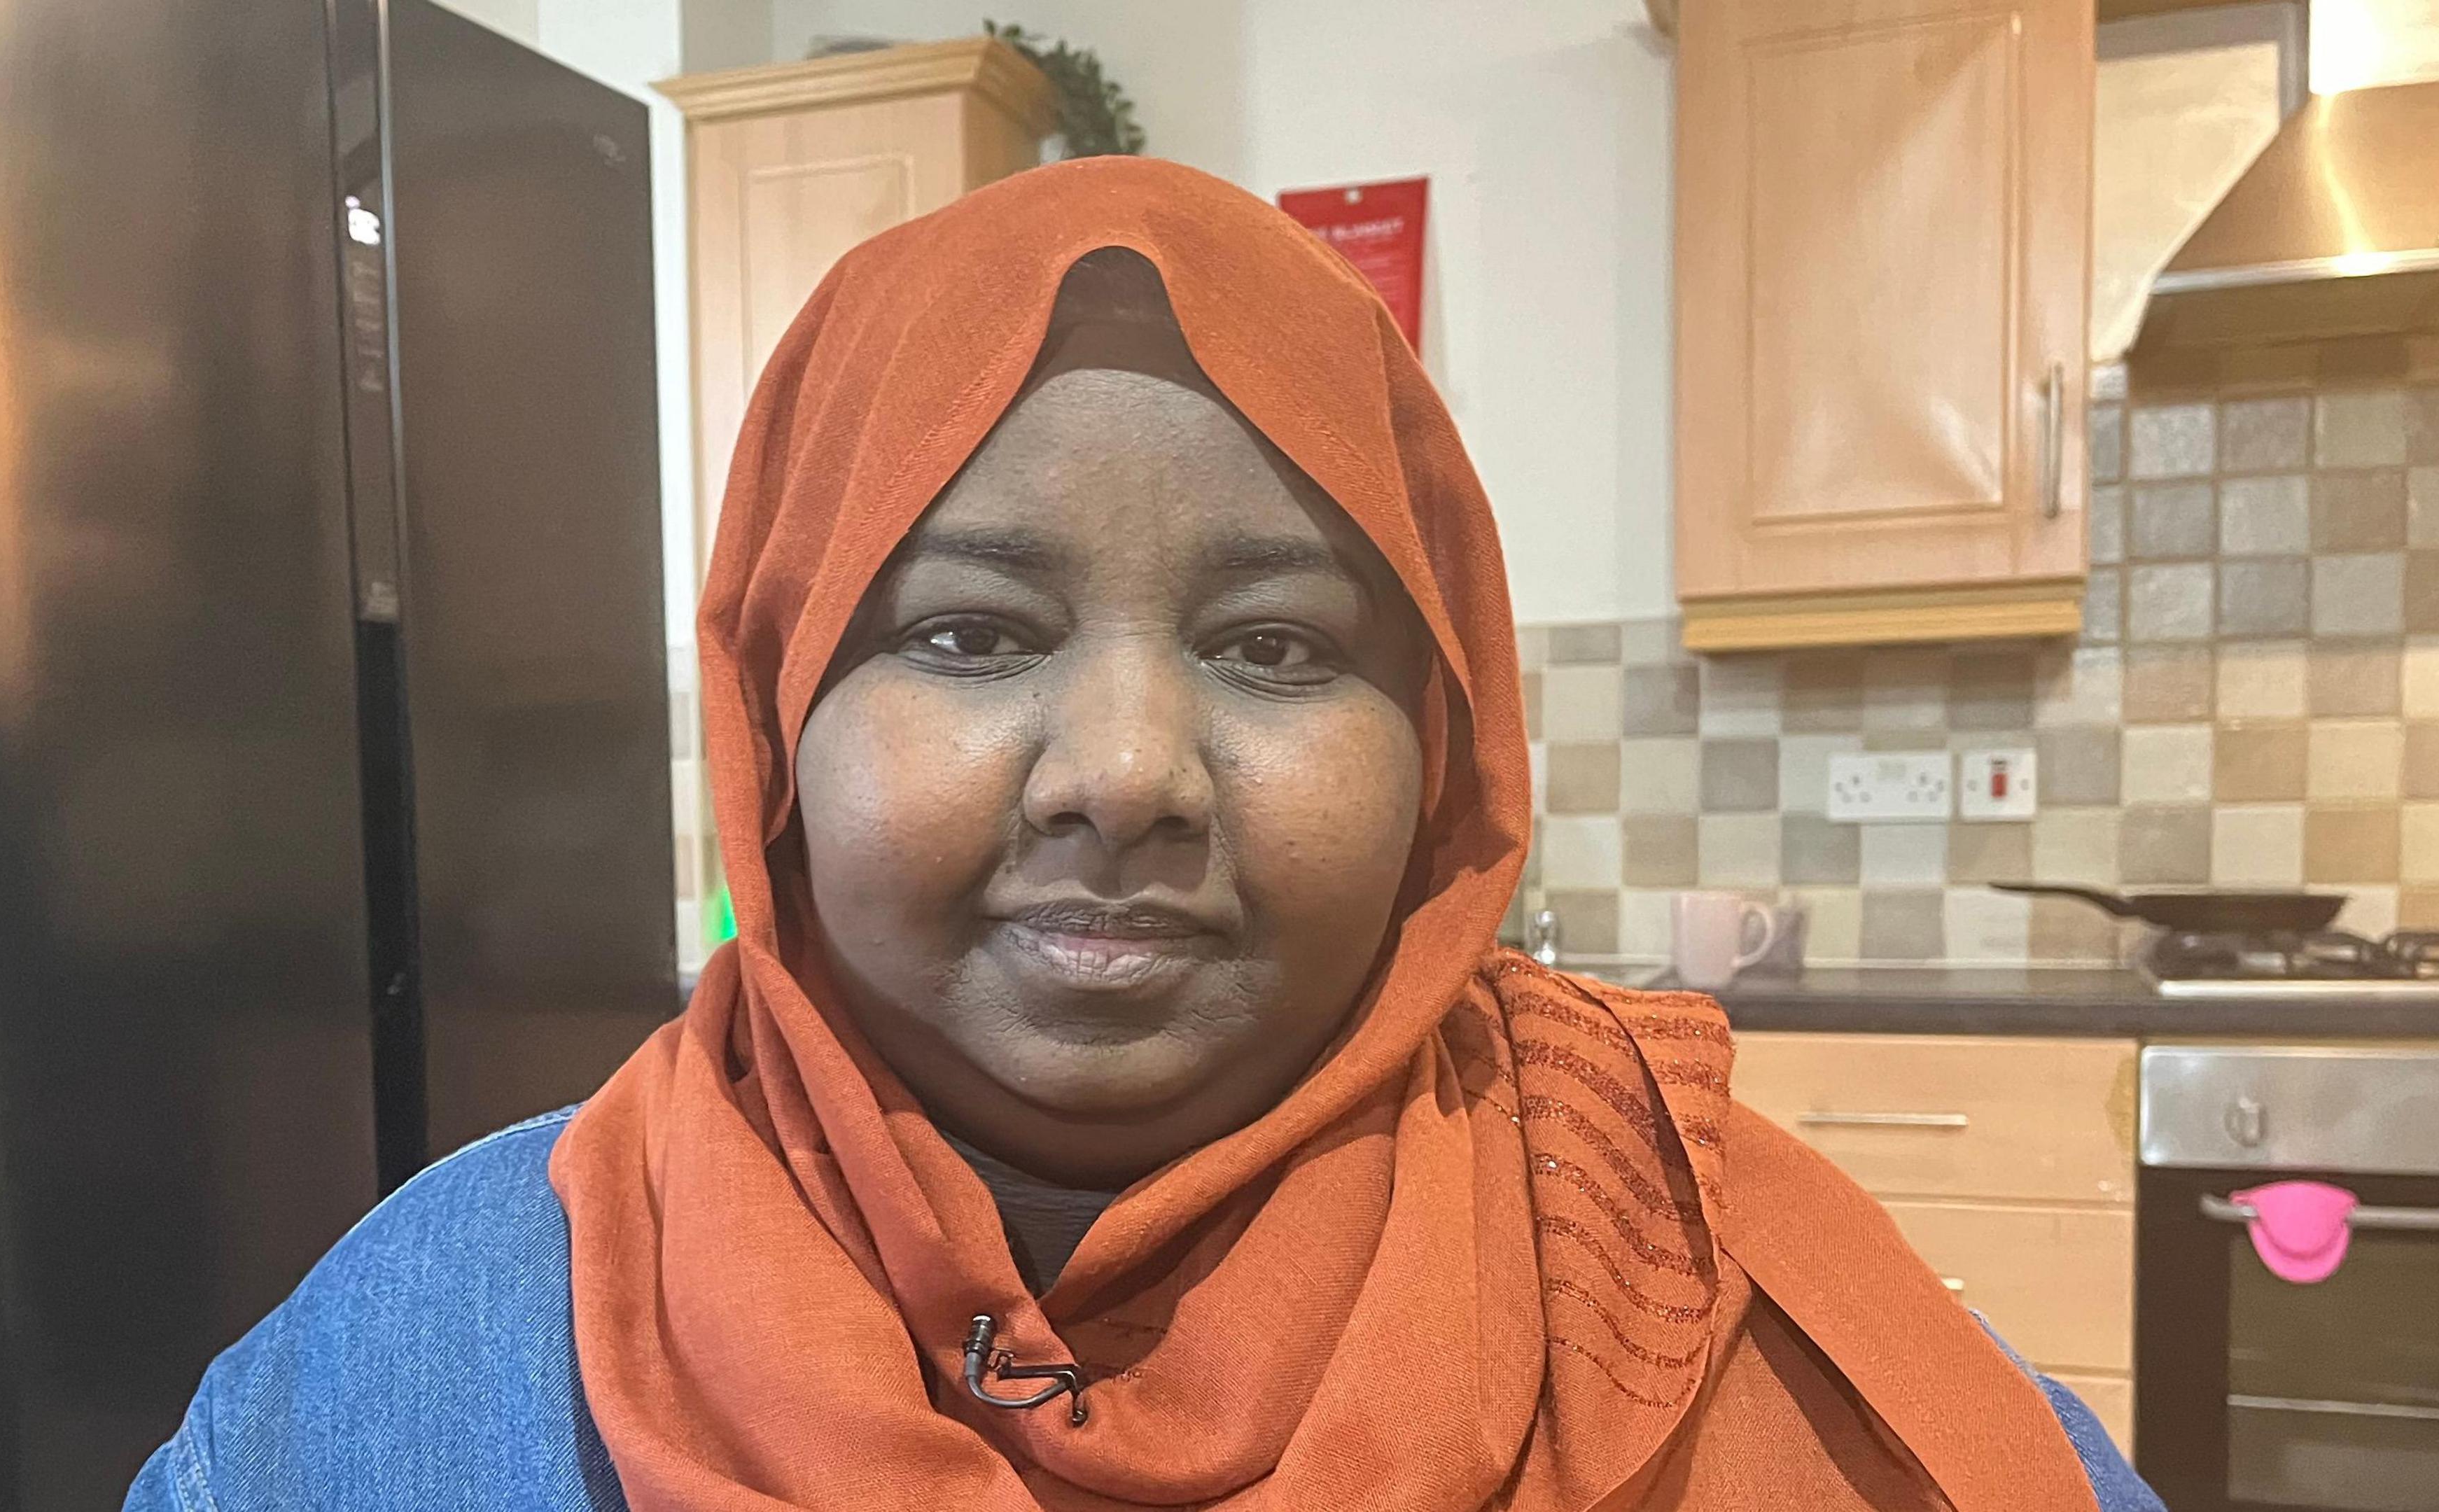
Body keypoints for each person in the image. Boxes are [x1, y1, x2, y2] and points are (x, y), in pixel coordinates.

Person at [125, 157, 2160, 1511]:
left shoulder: (1706, 1287)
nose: (1125, 773)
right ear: (778, 725)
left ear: (1444, 746)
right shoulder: (404, 1378)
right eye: (964, 631)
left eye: (1277, 644)